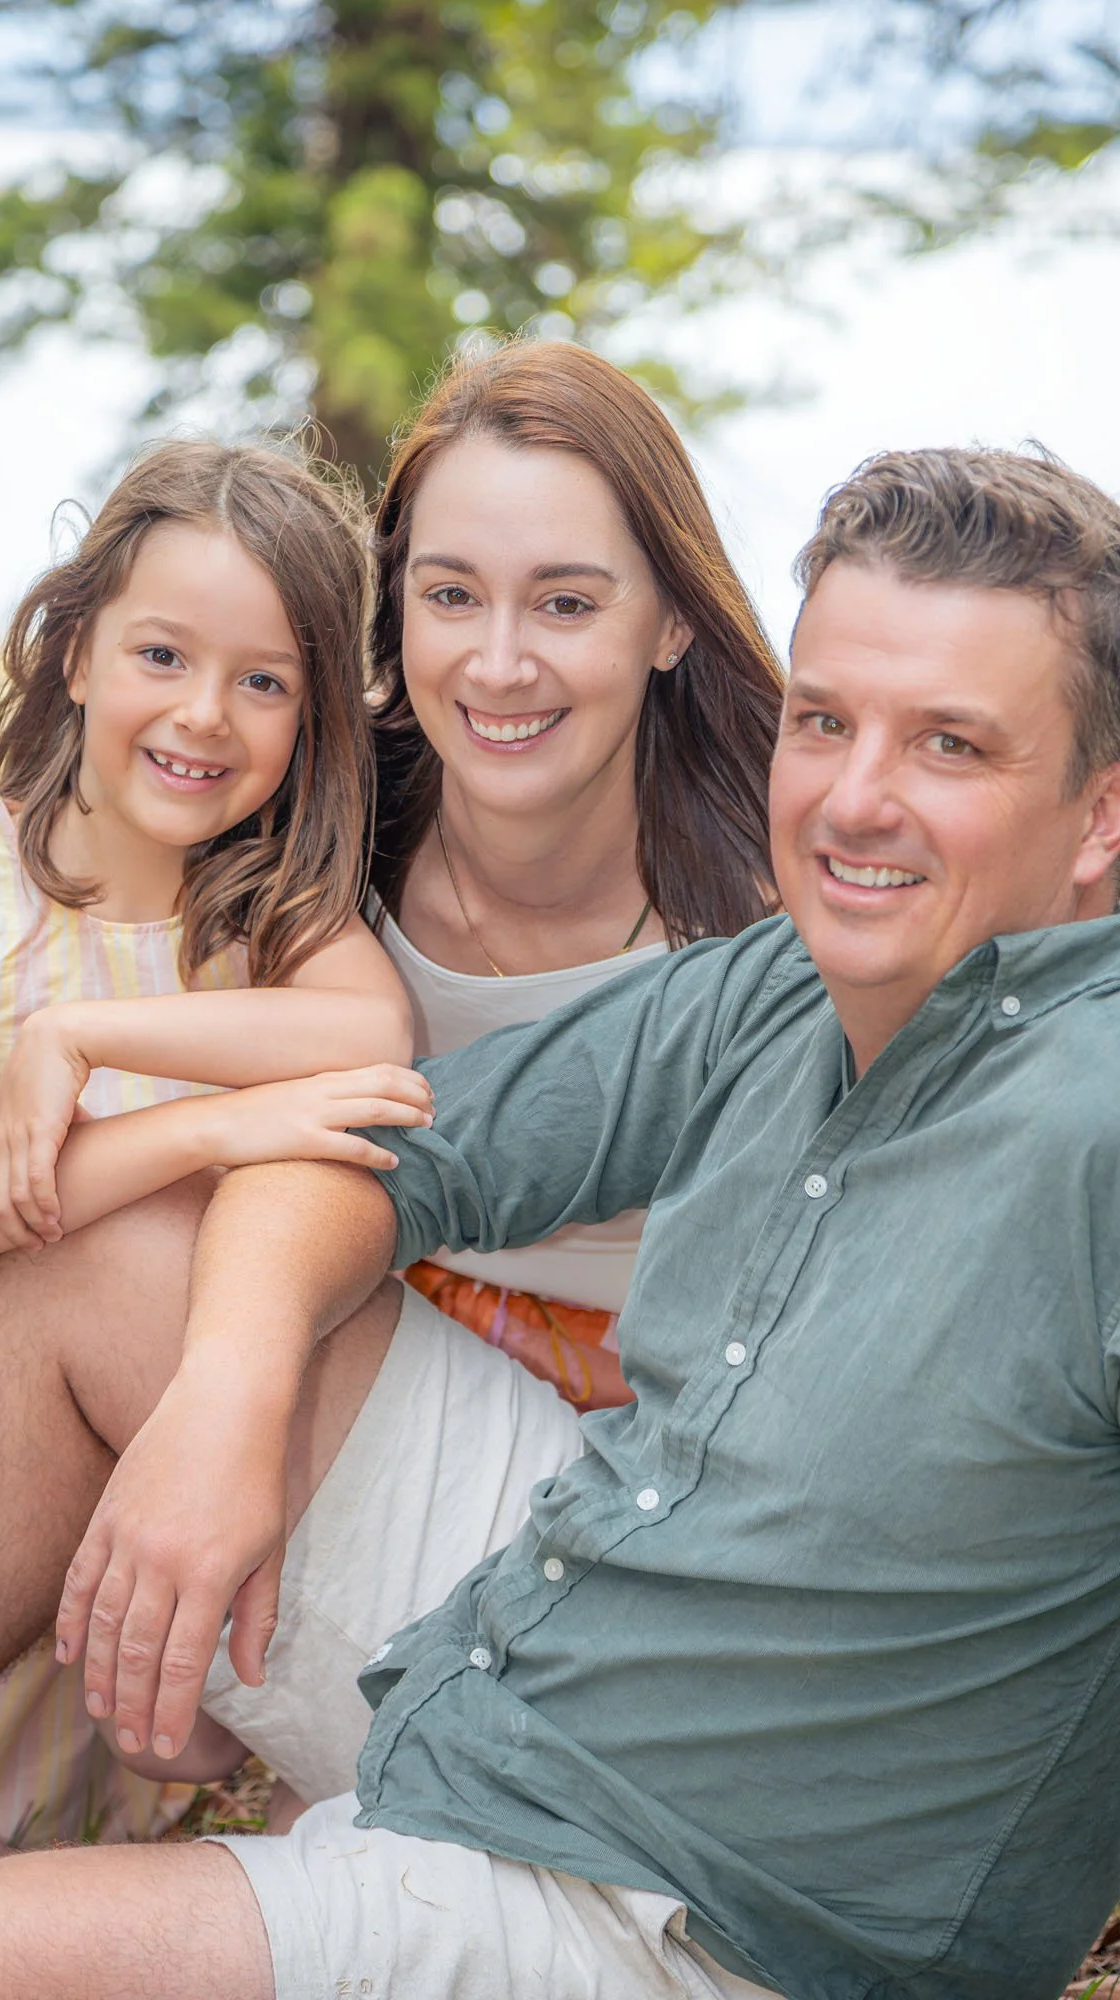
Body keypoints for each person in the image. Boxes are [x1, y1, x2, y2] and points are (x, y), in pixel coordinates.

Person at [0, 443, 1120, 2000]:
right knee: (116, 1259)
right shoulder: (782, 985)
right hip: (538, 1628)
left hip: (690, 1908)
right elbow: (386, 1146)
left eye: (949, 744)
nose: (854, 799)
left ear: (1101, 815)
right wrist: (233, 1386)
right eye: (824, 721)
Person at [0, 439, 429, 1856]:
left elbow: (370, 1036)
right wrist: (198, 1125)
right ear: (73, 654)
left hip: (114, 1562)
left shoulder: (270, 917)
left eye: (264, 681)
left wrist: (82, 1055)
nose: (205, 714)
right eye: (160, 654)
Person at [364, 338, 782, 1410]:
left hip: (662, 1439)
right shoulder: (324, 827)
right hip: (367, 1360)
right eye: (451, 594)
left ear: (673, 620)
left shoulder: (778, 906)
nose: (498, 665)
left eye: (565, 605)